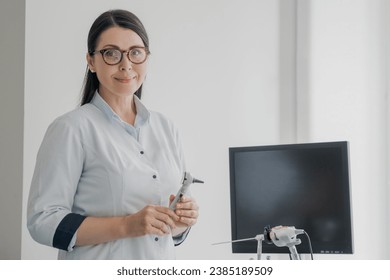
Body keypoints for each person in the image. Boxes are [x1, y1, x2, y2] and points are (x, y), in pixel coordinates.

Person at [27, 9, 199, 260]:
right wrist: (126, 225)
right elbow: (42, 222)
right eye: (111, 53)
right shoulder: (71, 128)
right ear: (91, 61)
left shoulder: (166, 128)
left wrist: (181, 222)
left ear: (147, 58)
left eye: (136, 53)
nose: (126, 64)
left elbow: (167, 233)